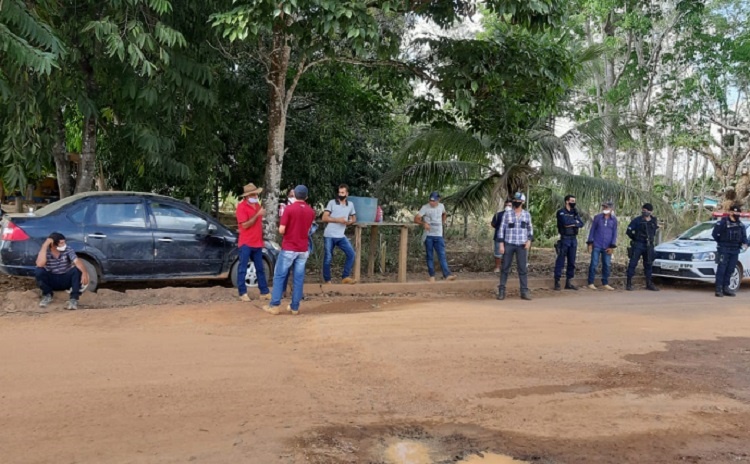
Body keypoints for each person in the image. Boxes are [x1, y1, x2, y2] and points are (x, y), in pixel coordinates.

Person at [263, 185, 316, 315]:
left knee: (280, 275)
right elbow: (309, 230)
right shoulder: (311, 211)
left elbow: (282, 230)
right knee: (298, 278)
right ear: (306, 197)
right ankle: (294, 307)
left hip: (289, 247)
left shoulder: (289, 209)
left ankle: (274, 305)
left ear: (294, 195)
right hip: (303, 248)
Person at [35, 232, 90, 310]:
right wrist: (44, 245)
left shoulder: (68, 249)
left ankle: (74, 299)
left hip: (65, 278)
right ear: (53, 244)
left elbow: (77, 261)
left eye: (64, 242)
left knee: (76, 270)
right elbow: (40, 264)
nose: (64, 245)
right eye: (61, 243)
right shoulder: (45, 251)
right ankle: (47, 295)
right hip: (52, 278)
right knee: (39, 271)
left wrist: (84, 272)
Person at [235, 183, 271, 302]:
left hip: (257, 242)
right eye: (253, 194)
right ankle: (242, 292)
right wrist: (258, 215)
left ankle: (264, 291)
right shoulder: (241, 207)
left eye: (256, 194)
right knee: (242, 268)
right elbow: (245, 225)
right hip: (246, 242)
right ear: (247, 196)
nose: (256, 196)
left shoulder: (257, 205)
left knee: (260, 268)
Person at [497, 192, 533, 301]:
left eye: (518, 201)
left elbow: (530, 229)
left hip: (521, 245)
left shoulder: (526, 215)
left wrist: (529, 241)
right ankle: (501, 291)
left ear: (522, 202)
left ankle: (524, 291)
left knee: (522, 269)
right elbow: (501, 230)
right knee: (505, 268)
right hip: (508, 244)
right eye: (515, 200)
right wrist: (501, 244)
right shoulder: (507, 214)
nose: (516, 202)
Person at [415, 191, 456, 282]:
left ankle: (447, 275)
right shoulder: (425, 207)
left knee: (442, 255)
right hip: (429, 235)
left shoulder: (441, 206)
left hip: (439, 235)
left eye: (434, 201)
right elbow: (416, 218)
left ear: (438, 200)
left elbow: (444, 213)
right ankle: (432, 275)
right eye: (430, 201)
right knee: (429, 255)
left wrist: (443, 221)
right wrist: (423, 223)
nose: (432, 203)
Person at [322, 184, 357, 284]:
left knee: (351, 254)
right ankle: (327, 280)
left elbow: (354, 218)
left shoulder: (350, 205)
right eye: (339, 192)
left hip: (341, 235)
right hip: (329, 235)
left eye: (343, 192)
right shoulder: (332, 203)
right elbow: (324, 218)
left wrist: (349, 222)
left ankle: (345, 277)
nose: (340, 194)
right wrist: (338, 220)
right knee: (328, 257)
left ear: (347, 194)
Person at [711, 204, 748, 297]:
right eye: (735, 212)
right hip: (724, 249)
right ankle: (718, 289)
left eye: (738, 212)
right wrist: (721, 243)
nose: (737, 214)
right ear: (730, 212)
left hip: (735, 250)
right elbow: (715, 234)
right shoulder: (723, 223)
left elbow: (744, 238)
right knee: (722, 269)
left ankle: (726, 288)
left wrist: (746, 243)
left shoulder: (740, 225)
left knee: (730, 269)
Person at [625, 203, 660, 291]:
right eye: (643, 210)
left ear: (651, 211)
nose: (644, 212)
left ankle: (649, 283)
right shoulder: (637, 220)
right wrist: (635, 238)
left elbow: (654, 232)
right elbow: (628, 231)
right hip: (638, 244)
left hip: (649, 245)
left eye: (646, 211)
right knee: (633, 263)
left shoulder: (653, 221)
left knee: (648, 264)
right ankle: (629, 283)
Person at [554, 194, 584, 291]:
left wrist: (573, 222)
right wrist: (575, 223)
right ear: (567, 201)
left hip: (573, 239)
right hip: (565, 239)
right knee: (561, 260)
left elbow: (581, 223)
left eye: (574, 201)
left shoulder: (575, 212)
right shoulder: (561, 212)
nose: (573, 203)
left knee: (572, 261)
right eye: (572, 201)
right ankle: (557, 281)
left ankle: (568, 282)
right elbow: (565, 223)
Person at [586, 201, 618, 290]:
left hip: (607, 245)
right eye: (604, 207)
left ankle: (605, 283)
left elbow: (614, 233)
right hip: (597, 244)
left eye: (606, 207)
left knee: (607, 264)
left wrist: (612, 246)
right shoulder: (597, 218)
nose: (605, 209)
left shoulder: (614, 220)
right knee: (594, 263)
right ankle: (591, 282)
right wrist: (590, 242)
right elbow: (592, 230)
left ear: (611, 209)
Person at [491, 199, 513, 273]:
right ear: (504, 205)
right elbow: (493, 224)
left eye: (509, 205)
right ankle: (497, 267)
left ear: (512, 206)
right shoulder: (498, 215)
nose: (508, 207)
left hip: (510, 238)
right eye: (506, 205)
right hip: (499, 237)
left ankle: (507, 268)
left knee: (508, 253)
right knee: (498, 253)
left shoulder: (515, 215)